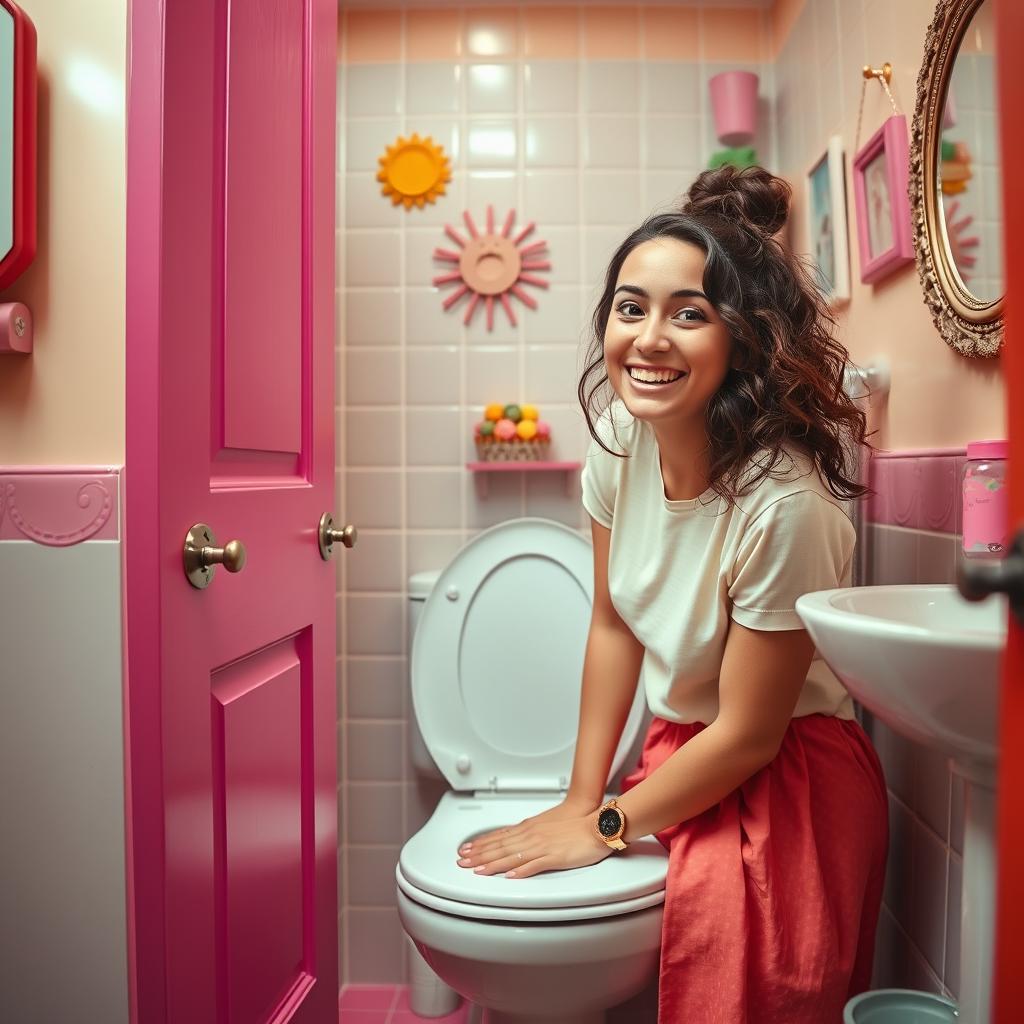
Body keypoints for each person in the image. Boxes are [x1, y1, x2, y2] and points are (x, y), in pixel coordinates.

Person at [455, 165, 889, 1023]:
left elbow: (748, 733)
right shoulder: (622, 440)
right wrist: (585, 799)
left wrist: (608, 827)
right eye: (631, 307)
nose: (648, 338)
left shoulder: (786, 506)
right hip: (684, 745)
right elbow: (613, 623)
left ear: (746, 337)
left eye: (688, 314)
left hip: (786, 771)